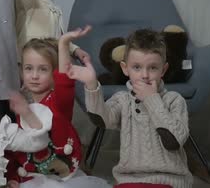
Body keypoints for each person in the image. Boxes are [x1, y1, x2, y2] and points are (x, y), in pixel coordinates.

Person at [64, 27, 192, 188]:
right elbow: (102, 120)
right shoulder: (122, 99)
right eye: (137, 67)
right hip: (129, 180)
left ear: (163, 70)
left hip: (168, 180)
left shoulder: (174, 100)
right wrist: (91, 84)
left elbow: (173, 141)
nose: (144, 75)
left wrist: (152, 99)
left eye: (152, 68)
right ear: (125, 68)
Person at [6, 38, 110, 188]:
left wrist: (63, 45)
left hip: (61, 178)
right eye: (29, 68)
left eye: (43, 69)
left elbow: (64, 80)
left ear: (54, 73)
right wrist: (13, 176)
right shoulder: (21, 104)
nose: (34, 75)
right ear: (22, 71)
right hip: (31, 176)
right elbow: (18, 149)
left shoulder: (59, 102)